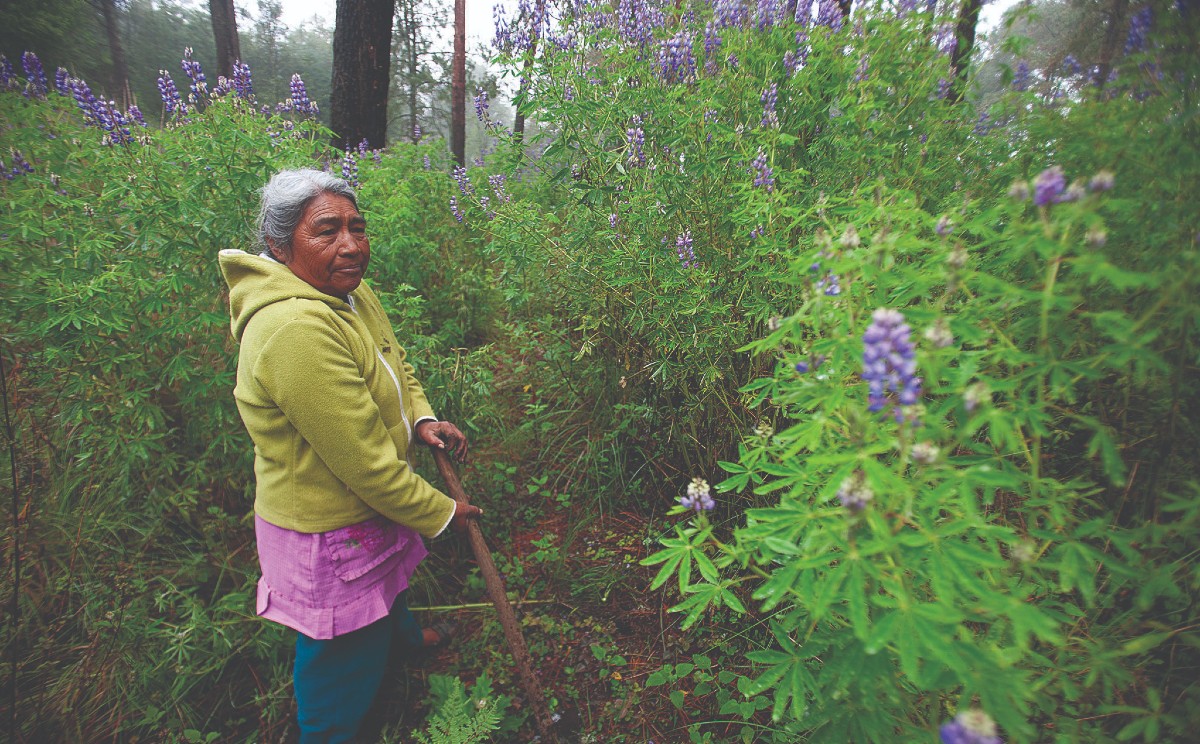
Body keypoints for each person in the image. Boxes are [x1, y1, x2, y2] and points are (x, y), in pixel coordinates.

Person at [218, 168, 482, 743]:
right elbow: (363, 462)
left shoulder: (349, 292)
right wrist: (441, 512)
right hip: (328, 525)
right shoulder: (294, 328)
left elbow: (394, 364)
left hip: (371, 503)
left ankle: (402, 645)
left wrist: (422, 420)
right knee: (340, 644)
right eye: (327, 231)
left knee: (387, 587)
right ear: (279, 246)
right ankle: (330, 732)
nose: (351, 245)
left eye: (357, 228)